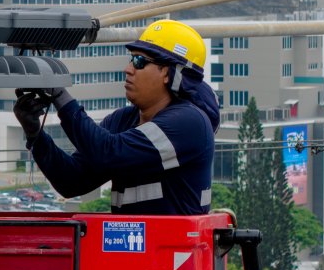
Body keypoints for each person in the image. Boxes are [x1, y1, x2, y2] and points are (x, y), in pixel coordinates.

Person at [14, 19, 221, 215]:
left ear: (169, 73)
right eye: (131, 59)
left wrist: (60, 96)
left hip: (172, 249)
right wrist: (35, 133)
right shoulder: (122, 121)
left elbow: (109, 152)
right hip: (130, 249)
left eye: (140, 61)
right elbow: (72, 181)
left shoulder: (189, 123)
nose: (128, 69)